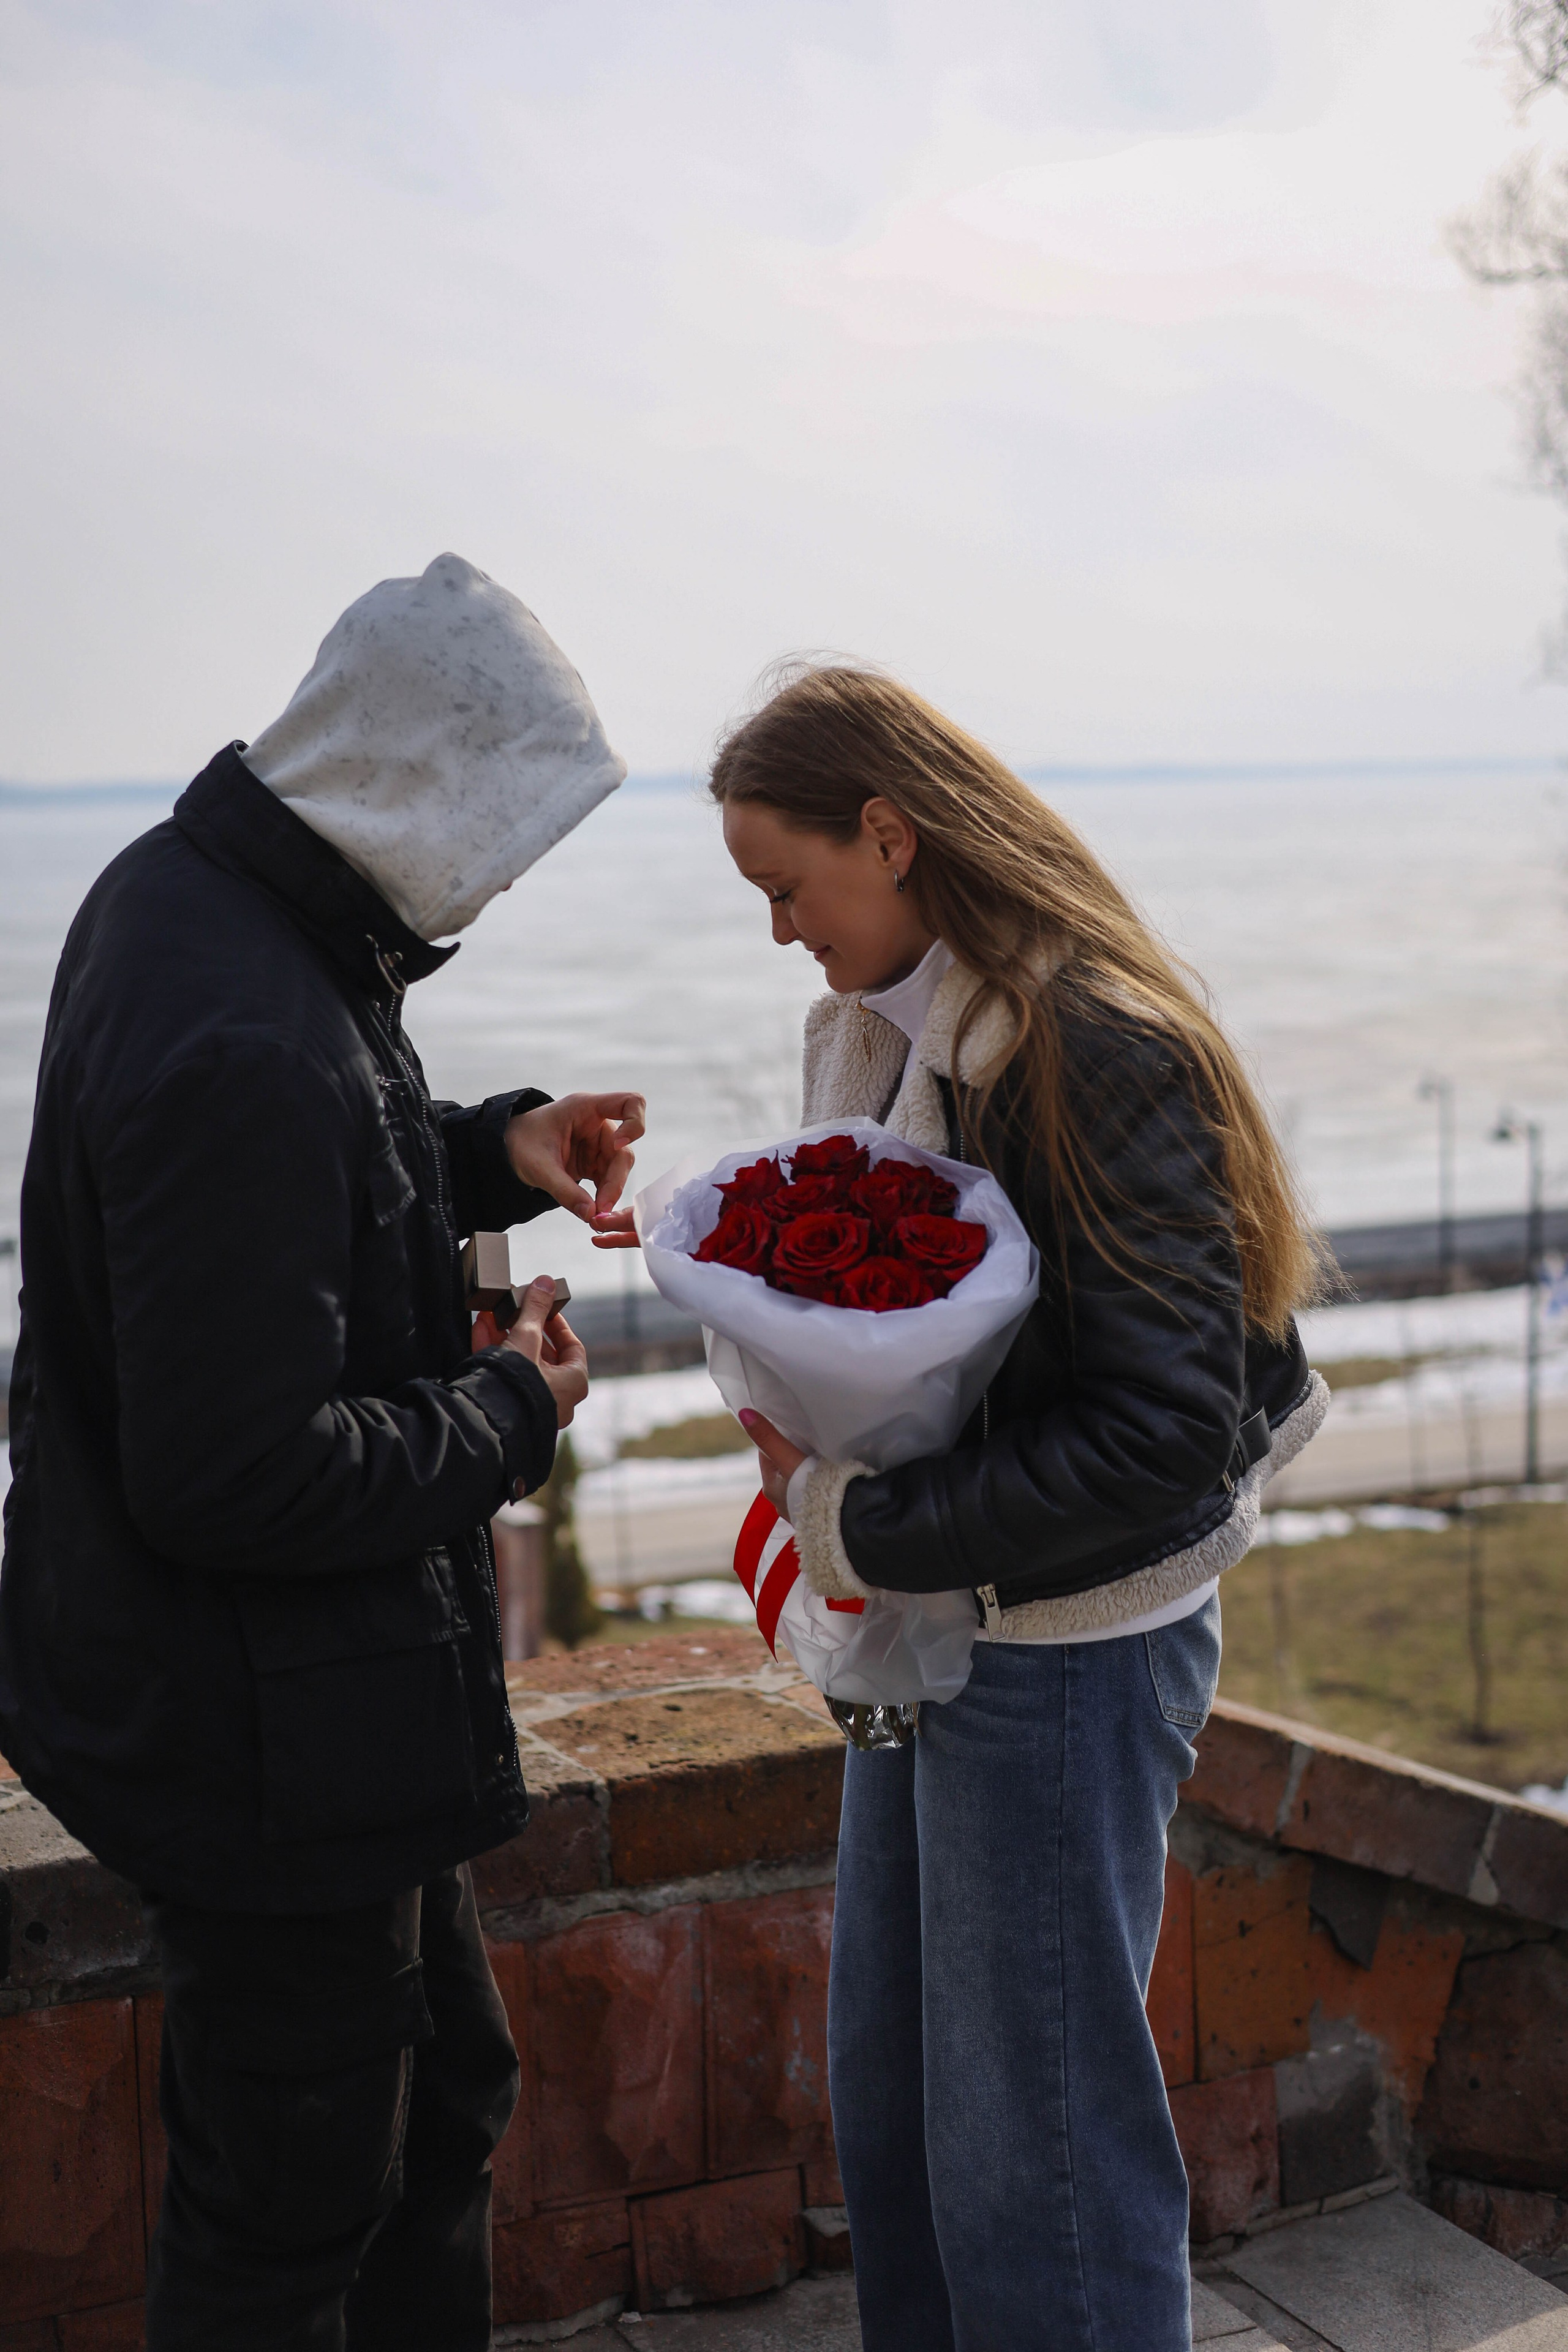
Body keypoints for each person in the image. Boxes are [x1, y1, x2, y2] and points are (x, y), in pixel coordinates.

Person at [0, 553, 645, 2351]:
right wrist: (513, 1409)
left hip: (300, 1715)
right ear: (421, 781)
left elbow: (294, 1203)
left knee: (437, 2103)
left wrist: (491, 1147)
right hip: (257, 1732)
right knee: (286, 2216)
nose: (502, 877)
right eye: (503, 829)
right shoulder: (247, 1019)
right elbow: (243, 1472)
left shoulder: (207, 903)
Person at [713, 664, 1327, 2352]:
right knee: (906, 2120)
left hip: (1064, 1649)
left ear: (890, 835)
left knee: (1035, 2154)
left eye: (788, 886)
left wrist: (853, 1527)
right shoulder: (898, 1023)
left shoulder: (1094, 1046)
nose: (778, 931)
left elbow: (1159, 1438)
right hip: (942, 1627)